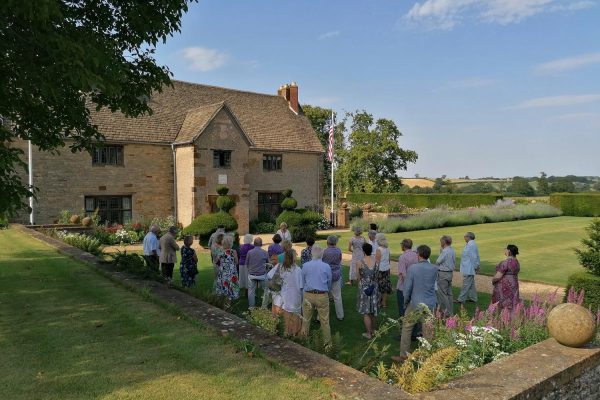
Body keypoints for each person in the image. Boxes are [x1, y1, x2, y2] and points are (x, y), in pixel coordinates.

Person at [393, 245, 438, 362]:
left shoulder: (413, 268)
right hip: (430, 302)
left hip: (415, 302)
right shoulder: (434, 268)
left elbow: (407, 288)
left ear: (419, 255)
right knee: (428, 330)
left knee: (407, 328)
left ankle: (404, 355)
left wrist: (406, 301)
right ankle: (427, 357)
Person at [301, 245, 332, 345]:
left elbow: (303, 281)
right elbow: (329, 282)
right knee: (325, 321)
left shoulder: (305, 265)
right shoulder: (326, 266)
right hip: (322, 295)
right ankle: (327, 343)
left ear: (311, 254)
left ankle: (304, 340)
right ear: (322, 254)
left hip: (308, 295)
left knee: (306, 319)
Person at [357, 243, 379, 339]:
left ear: (363, 251)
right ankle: (373, 330)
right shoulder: (376, 262)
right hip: (374, 287)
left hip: (364, 288)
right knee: (373, 310)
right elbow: (377, 276)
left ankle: (368, 333)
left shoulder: (360, 262)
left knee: (366, 311)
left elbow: (358, 277)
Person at [279, 249, 304, 336]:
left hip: (286, 294)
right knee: (296, 314)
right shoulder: (298, 270)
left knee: (287, 312)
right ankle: (295, 332)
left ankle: (287, 331)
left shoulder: (282, 268)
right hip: (295, 294)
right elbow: (301, 285)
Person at [492, 244, 521, 310]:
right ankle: (511, 318)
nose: (505, 250)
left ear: (509, 251)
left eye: (506, 249)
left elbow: (498, 276)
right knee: (512, 302)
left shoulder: (505, 262)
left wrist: (493, 281)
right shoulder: (516, 262)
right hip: (514, 283)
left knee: (503, 302)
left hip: (505, 285)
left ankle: (504, 318)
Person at [322, 235, 344, 321]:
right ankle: (340, 315)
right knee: (337, 296)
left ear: (327, 242)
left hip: (326, 275)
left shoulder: (324, 251)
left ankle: (321, 316)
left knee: (324, 296)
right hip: (336, 274)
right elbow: (339, 261)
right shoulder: (338, 251)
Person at [270, 240, 294, 315]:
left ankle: (276, 312)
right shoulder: (293, 256)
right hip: (290, 278)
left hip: (280, 277)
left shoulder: (279, 256)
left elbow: (275, 268)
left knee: (277, 297)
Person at [456, 232, 480, 304]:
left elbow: (474, 257)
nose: (464, 237)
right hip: (468, 267)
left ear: (468, 237)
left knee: (466, 284)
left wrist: (476, 266)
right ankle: (473, 298)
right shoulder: (470, 244)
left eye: (465, 236)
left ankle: (461, 299)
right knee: (471, 284)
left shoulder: (471, 245)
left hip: (469, 268)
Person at [397, 239, 418, 318]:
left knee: (403, 308)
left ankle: (404, 327)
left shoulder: (402, 257)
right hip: (415, 285)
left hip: (404, 286)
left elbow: (403, 274)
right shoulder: (416, 255)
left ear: (403, 246)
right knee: (413, 308)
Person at [246, 237, 270, 308]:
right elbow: (268, 264)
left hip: (252, 274)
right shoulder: (265, 252)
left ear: (254, 244)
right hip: (262, 275)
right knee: (267, 290)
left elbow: (247, 263)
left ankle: (251, 307)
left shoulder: (249, 252)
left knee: (251, 291)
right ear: (261, 244)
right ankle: (264, 307)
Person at [215, 234, 240, 303]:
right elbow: (237, 262)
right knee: (230, 287)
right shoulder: (233, 251)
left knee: (224, 285)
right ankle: (228, 304)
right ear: (230, 243)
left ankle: (224, 303)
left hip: (223, 272)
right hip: (231, 272)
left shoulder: (220, 251)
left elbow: (216, 261)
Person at [436, 235, 455, 316]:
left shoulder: (445, 251)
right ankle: (450, 311)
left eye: (441, 241)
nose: (440, 242)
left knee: (443, 294)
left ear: (444, 242)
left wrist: (441, 251)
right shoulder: (452, 250)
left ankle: (447, 312)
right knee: (449, 293)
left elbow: (438, 261)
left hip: (443, 273)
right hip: (450, 273)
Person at [375, 233, 392, 308]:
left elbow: (377, 262)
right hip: (386, 269)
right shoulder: (387, 249)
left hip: (380, 270)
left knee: (378, 286)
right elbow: (389, 260)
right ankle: (384, 302)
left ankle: (379, 302)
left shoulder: (379, 249)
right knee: (385, 286)